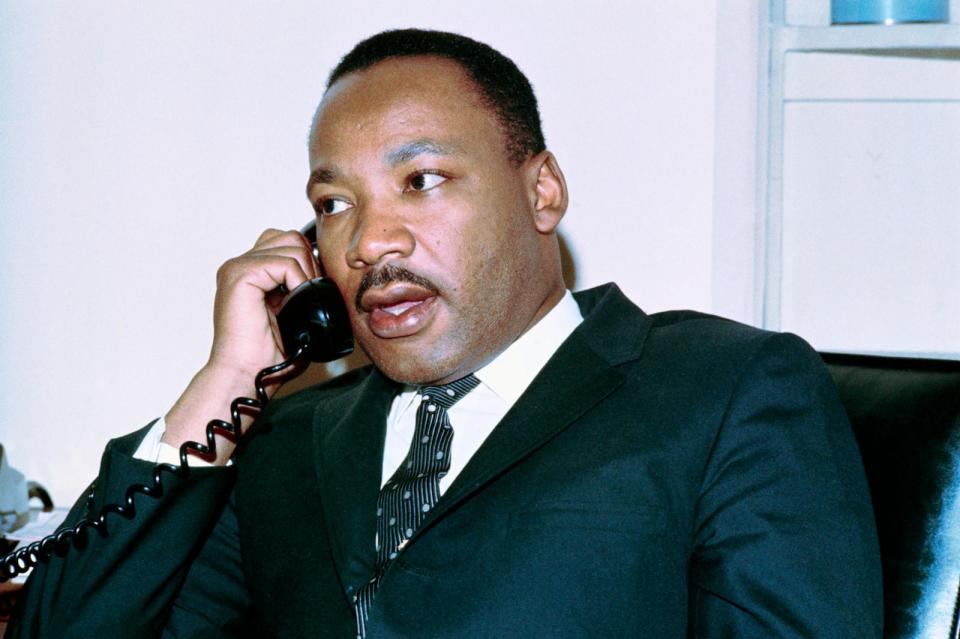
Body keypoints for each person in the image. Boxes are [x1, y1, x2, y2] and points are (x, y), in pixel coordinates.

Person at [8, 29, 882, 638]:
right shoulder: (289, 442)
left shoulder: (724, 390)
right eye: (332, 205)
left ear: (542, 191)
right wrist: (226, 382)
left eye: (421, 179)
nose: (367, 242)